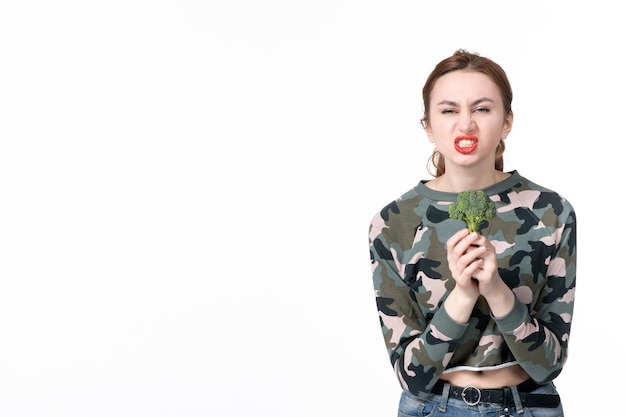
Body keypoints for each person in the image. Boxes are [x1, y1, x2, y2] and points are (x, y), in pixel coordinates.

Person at [368, 49, 576, 416]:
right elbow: (411, 376)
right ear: (429, 126)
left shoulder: (552, 212)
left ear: (506, 122)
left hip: (529, 406)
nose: (466, 124)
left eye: (482, 109)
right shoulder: (392, 223)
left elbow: (549, 365)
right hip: (432, 408)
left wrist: (496, 290)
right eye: (449, 111)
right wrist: (462, 295)